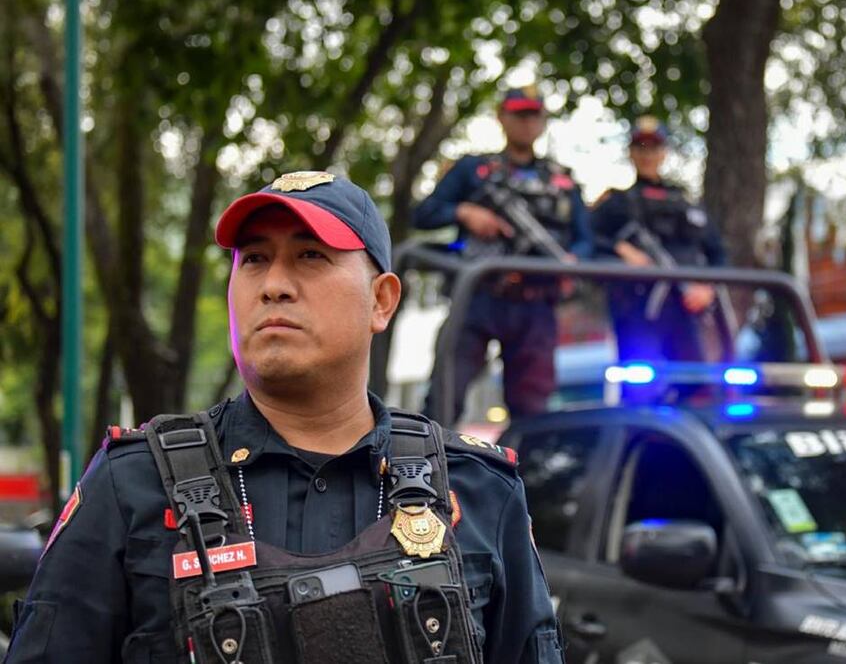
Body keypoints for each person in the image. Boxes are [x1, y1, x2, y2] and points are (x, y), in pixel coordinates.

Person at [5, 171, 564, 663]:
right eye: (253, 259)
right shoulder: (132, 486)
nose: (273, 284)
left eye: (310, 256)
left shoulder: (480, 493)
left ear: (382, 301)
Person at [413, 84, 592, 424]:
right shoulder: (473, 169)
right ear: (502, 117)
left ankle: (524, 476)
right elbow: (424, 213)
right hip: (478, 298)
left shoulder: (562, 181)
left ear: (543, 121)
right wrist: (465, 213)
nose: (527, 123)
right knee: (443, 400)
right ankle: (430, 471)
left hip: (536, 306)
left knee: (533, 411)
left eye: (533, 115)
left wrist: (572, 262)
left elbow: (585, 240)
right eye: (519, 114)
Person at [592, 116, 726, 370]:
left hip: (690, 313)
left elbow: (718, 254)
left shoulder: (686, 201)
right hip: (638, 313)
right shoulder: (616, 203)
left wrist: (707, 288)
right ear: (630, 153)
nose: (647, 155)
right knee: (641, 391)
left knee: (698, 388)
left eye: (653, 147)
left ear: (664, 153)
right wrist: (620, 251)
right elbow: (587, 244)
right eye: (640, 147)